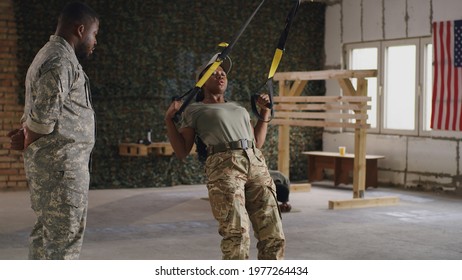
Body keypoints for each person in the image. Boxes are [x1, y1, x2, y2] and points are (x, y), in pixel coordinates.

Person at [165, 54, 285, 260]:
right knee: (236, 233)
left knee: (273, 234)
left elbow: (256, 142)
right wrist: (169, 119)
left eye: (223, 74)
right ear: (201, 81)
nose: (221, 76)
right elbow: (182, 151)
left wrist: (264, 114)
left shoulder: (238, 107)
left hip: (255, 163)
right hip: (224, 167)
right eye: (214, 73)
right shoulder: (194, 110)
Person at [7, 1, 99, 259]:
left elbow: (40, 113)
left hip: (56, 168)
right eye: (94, 35)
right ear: (80, 29)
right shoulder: (60, 60)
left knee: (45, 237)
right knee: (62, 245)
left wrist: (26, 133)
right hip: (61, 170)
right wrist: (28, 133)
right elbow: (43, 119)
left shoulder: (52, 55)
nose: (95, 42)